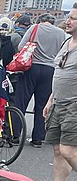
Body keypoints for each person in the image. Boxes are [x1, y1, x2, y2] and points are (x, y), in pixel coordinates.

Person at [15, 13, 67, 147]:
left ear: (41, 20)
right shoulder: (61, 33)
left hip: (32, 67)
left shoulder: (35, 28)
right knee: (42, 104)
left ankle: (14, 134)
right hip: (50, 69)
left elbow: (21, 47)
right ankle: (38, 138)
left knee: (22, 101)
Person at [45, 4, 77, 181]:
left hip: (74, 105)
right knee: (57, 149)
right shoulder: (67, 42)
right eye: (69, 17)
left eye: (73, 19)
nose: (68, 21)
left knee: (68, 149)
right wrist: (50, 99)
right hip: (58, 102)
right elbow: (60, 73)